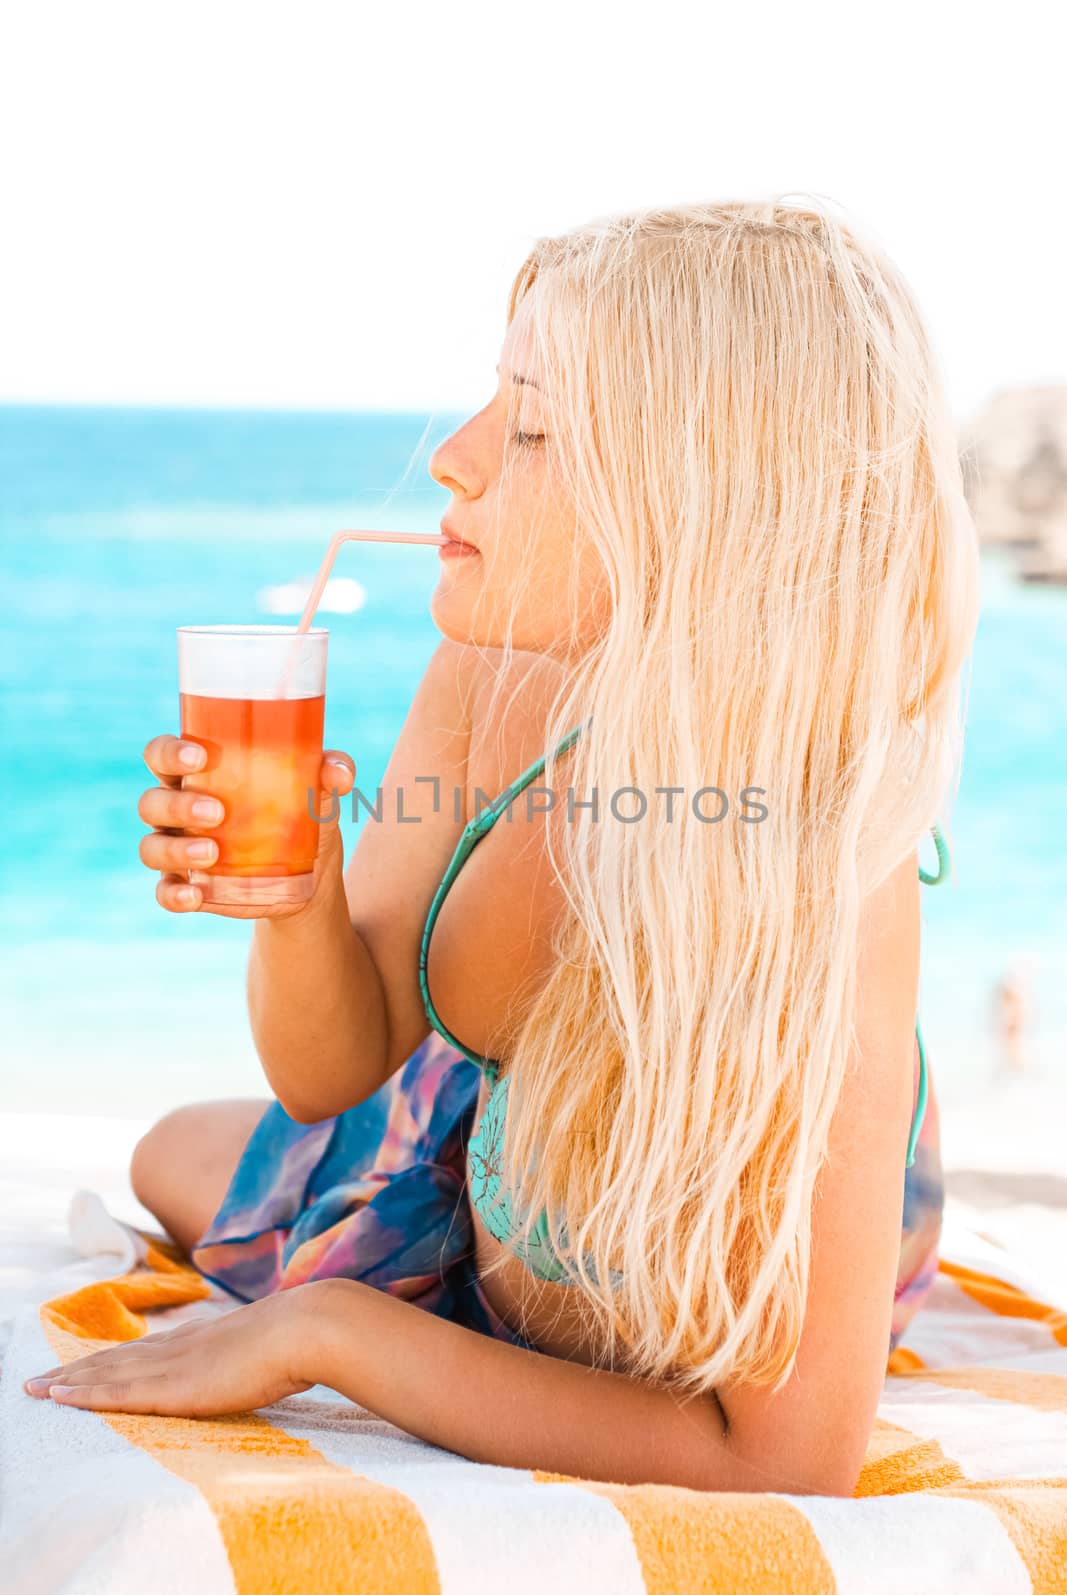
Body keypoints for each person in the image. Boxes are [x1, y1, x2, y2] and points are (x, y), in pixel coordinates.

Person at [26, 195, 981, 1498]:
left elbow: (789, 1454)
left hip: (687, 1232)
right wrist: (295, 897)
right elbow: (334, 1070)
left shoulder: (819, 873)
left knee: (247, 1211)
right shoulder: (486, 681)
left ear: (698, 509)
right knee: (166, 1151)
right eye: (494, 399)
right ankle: (449, 1231)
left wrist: (334, 1329)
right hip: (471, 1156)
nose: (456, 457)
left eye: (532, 425)